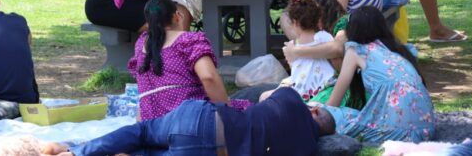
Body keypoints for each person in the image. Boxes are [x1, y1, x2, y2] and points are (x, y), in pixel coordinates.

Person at [42, 87, 334, 156]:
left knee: (142, 131)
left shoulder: (293, 99)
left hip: (204, 118)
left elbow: (265, 95)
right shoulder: (307, 147)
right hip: (213, 151)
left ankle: (76, 151)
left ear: (315, 112)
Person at [322, 6, 435, 143]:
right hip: (425, 130)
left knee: (324, 113)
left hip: (397, 133)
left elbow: (332, 104)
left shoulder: (355, 50)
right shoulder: (396, 50)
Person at [129, 0, 245, 121]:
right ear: (176, 16)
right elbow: (208, 77)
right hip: (189, 118)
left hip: (151, 122)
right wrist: (227, 111)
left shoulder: (141, 43)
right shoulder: (188, 40)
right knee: (252, 108)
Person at [263, 0, 336, 102]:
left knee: (264, 97)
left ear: (295, 23)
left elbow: (296, 69)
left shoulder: (292, 46)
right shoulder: (324, 37)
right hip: (324, 88)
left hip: (300, 92)